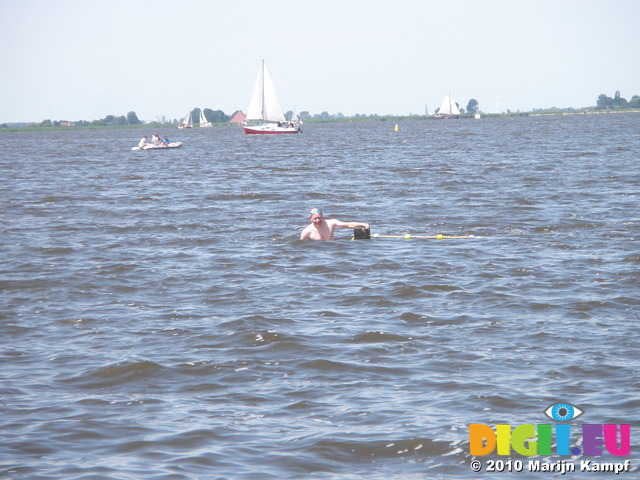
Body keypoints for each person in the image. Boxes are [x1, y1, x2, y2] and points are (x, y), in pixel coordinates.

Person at [300, 208, 369, 240]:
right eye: (315, 218)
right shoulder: (307, 232)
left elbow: (347, 225)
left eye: (319, 218)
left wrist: (362, 224)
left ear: (322, 216)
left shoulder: (331, 223)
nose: (318, 220)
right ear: (311, 218)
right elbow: (302, 246)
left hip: (331, 249)